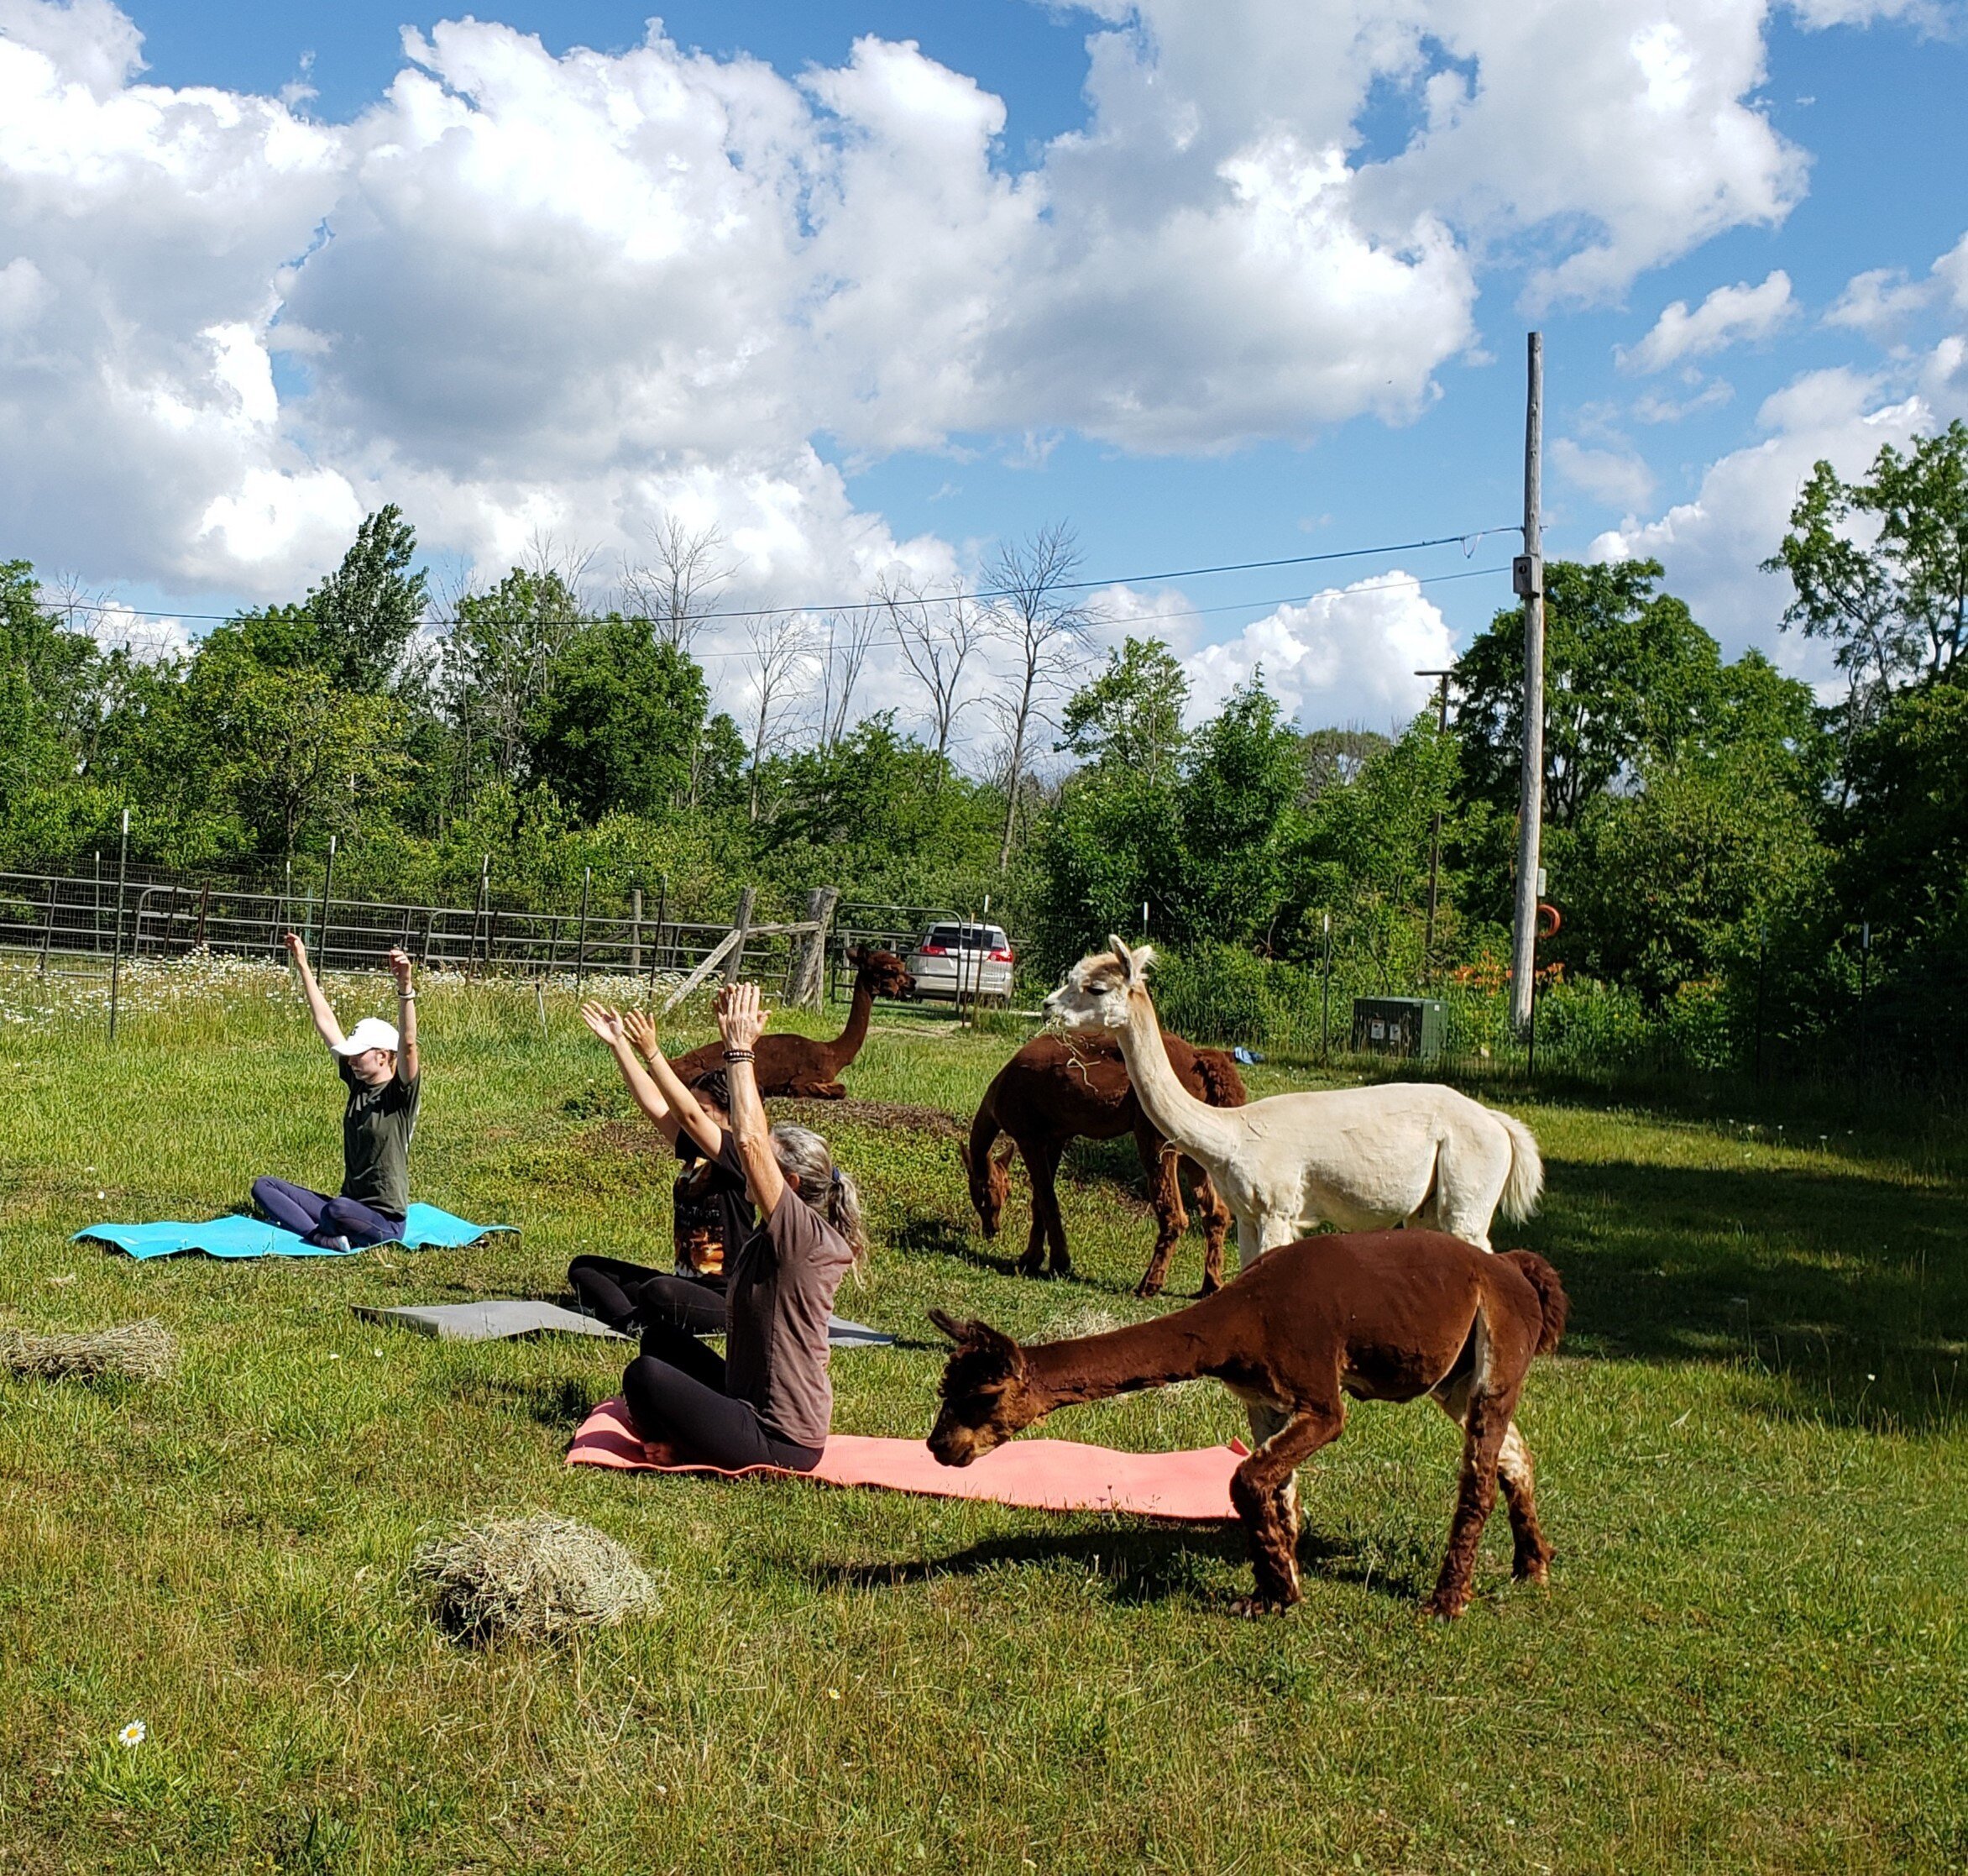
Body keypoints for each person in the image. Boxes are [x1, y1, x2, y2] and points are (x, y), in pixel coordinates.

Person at [617, 982, 865, 1472]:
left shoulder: (804, 1235)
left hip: (780, 1437)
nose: (753, 1169)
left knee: (645, 1377)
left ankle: (692, 1445)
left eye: (767, 1169)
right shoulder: (783, 1229)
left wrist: (739, 1049)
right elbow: (729, 1139)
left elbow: (750, 1145)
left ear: (788, 1182)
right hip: (743, 1397)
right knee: (660, 1343)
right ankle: (699, 1435)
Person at [567, 1004, 755, 1337]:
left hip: (723, 1299)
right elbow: (655, 1105)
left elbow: (689, 1117)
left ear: (730, 1115)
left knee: (659, 1292)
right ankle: (635, 1323)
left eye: (704, 1108)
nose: (691, 1115)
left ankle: (639, 1320)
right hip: (685, 1287)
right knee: (585, 1268)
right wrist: (619, 1044)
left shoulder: (737, 1155)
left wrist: (653, 1054)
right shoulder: (695, 1151)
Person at [252, 934, 421, 1250]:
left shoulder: (400, 1096)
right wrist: (302, 964)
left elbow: (409, 1045)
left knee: (336, 1210)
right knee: (264, 1186)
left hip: (384, 1220)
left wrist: (405, 988)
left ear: (383, 1056)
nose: (352, 1059)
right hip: (348, 1206)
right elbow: (325, 1022)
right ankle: (322, 1236)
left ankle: (326, 1228)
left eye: (359, 1054)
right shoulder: (357, 1082)